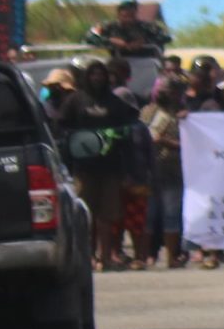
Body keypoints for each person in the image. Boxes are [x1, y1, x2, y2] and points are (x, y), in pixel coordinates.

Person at [55, 59, 141, 270]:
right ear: (86, 77)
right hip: (84, 168)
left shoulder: (114, 103)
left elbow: (127, 134)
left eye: (101, 74)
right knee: (85, 215)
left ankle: (106, 257)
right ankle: (88, 256)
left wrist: (129, 170)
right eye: (93, 74)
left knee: (107, 216)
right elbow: (60, 126)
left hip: (110, 168)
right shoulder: (75, 101)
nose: (97, 78)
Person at [142, 77, 189, 269]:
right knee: (149, 216)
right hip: (150, 171)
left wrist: (167, 141)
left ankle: (171, 257)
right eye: (164, 89)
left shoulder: (182, 115)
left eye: (172, 90)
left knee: (171, 215)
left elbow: (190, 141)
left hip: (173, 172)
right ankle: (142, 256)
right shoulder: (148, 112)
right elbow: (147, 136)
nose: (166, 93)